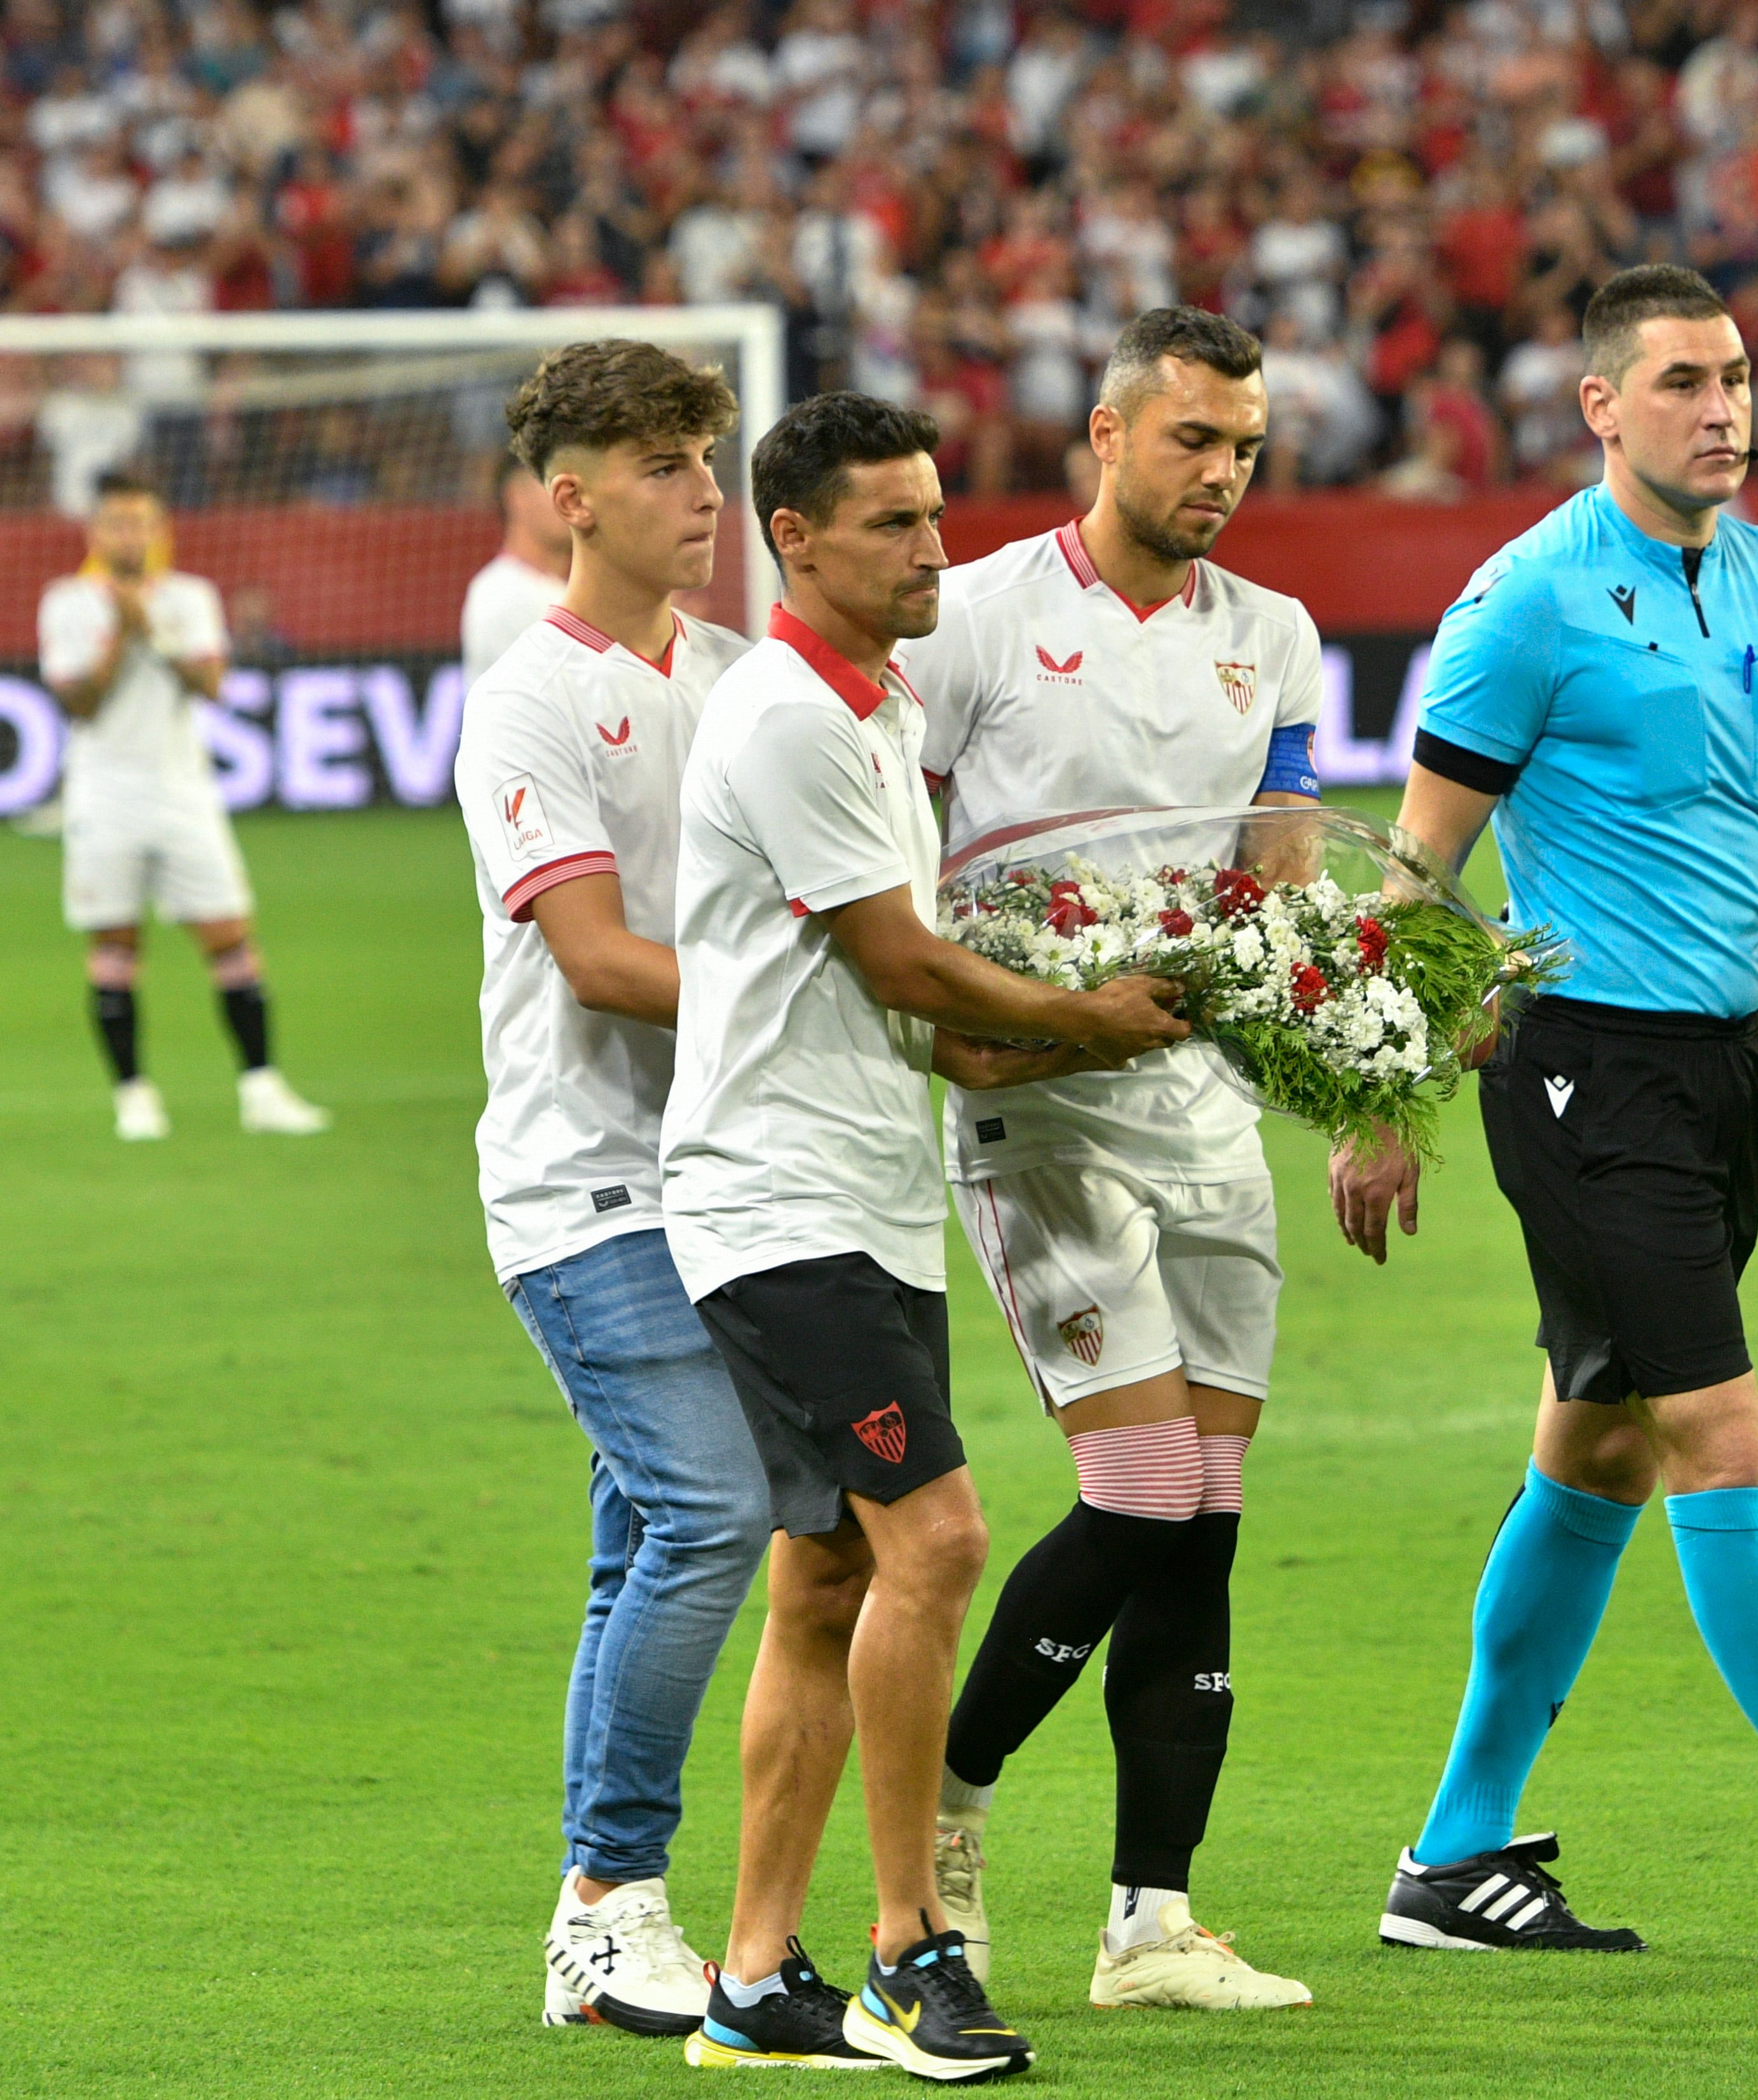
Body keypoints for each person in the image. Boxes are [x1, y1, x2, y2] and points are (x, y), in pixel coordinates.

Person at [1331, 265, 1758, 1970]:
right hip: (1574, 1065)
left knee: (1597, 1446)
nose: (1721, 410)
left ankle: (1452, 1860)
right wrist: (1374, 1093)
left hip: (1721, 1072)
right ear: (1598, 407)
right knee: (1716, 1432)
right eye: (1680, 384)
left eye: (1733, 380)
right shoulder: (1527, 605)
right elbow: (1416, 869)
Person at [658, 392, 1192, 2078]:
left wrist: (1134, 1025)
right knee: (940, 1543)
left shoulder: (877, 703)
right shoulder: (790, 718)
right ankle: (907, 1950)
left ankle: (751, 1982)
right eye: (892, 523)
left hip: (866, 1202)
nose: (934, 547)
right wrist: (1082, 1017)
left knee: (825, 1576)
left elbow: (941, 1030)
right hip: (775, 1203)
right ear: (792, 540)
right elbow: (905, 967)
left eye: (939, 513)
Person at [903, 306, 1319, 2013]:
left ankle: (1152, 1921)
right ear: (1109, 434)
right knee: (1140, 1490)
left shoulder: (1275, 635)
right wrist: (983, 1026)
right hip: (1039, 1106)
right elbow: (900, 860)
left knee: (1205, 1519)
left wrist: (1354, 1057)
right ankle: (938, 1811)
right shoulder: (979, 617)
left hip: (1204, 1105)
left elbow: (1282, 866)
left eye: (1243, 448)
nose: (1220, 472)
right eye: (1192, 440)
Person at [455, 341, 771, 2038]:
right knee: (714, 1512)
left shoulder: (735, 674)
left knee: (647, 1535)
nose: (702, 492)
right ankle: (606, 1897)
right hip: (586, 1190)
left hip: (732, 1177)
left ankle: (601, 1925)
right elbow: (590, 957)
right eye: (661, 464)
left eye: (708, 458)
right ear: (570, 497)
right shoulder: (525, 693)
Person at [38, 468, 326, 1142]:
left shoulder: (191, 597)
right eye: (116, 521)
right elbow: (77, 702)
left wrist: (154, 632)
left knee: (231, 939)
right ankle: (134, 1097)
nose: (129, 533)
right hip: (104, 793)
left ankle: (261, 1088)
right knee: (115, 944)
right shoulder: (67, 603)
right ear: (96, 531)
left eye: (141, 521)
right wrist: (118, 635)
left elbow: (212, 683)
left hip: (182, 792)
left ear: (160, 529)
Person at [463, 454, 574, 685]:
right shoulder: (503, 593)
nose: (572, 500)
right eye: (556, 485)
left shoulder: (559, 590)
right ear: (517, 496)